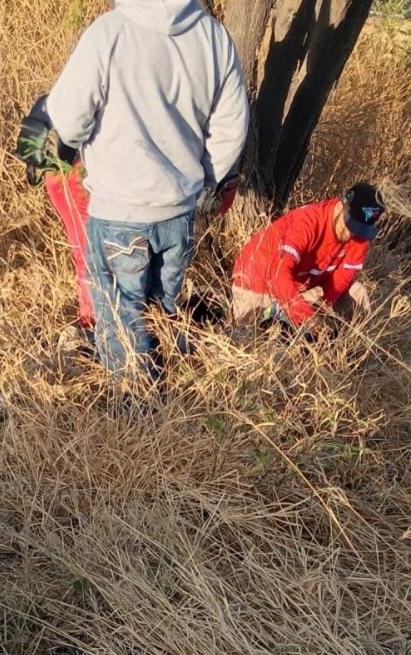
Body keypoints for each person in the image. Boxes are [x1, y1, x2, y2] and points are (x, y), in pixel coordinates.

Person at [45, 0, 249, 379]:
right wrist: (204, 180)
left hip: (117, 212)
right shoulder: (214, 37)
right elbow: (232, 129)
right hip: (179, 215)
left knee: (123, 326)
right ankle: (163, 399)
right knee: (161, 316)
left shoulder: (109, 32)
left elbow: (69, 118)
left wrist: (68, 146)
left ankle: (136, 407)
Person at [231, 183, 386, 336]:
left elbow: (344, 276)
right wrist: (307, 317)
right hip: (259, 285)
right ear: (340, 206)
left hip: (303, 288)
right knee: (269, 339)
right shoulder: (307, 221)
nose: (351, 233)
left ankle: (353, 347)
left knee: (357, 292)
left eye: (360, 229)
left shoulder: (360, 235)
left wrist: (322, 307)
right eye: (349, 225)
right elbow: (279, 275)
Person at [44, 162, 93, 333]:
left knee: (82, 248)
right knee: (89, 249)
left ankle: (89, 317)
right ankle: (92, 319)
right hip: (78, 171)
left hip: (56, 169)